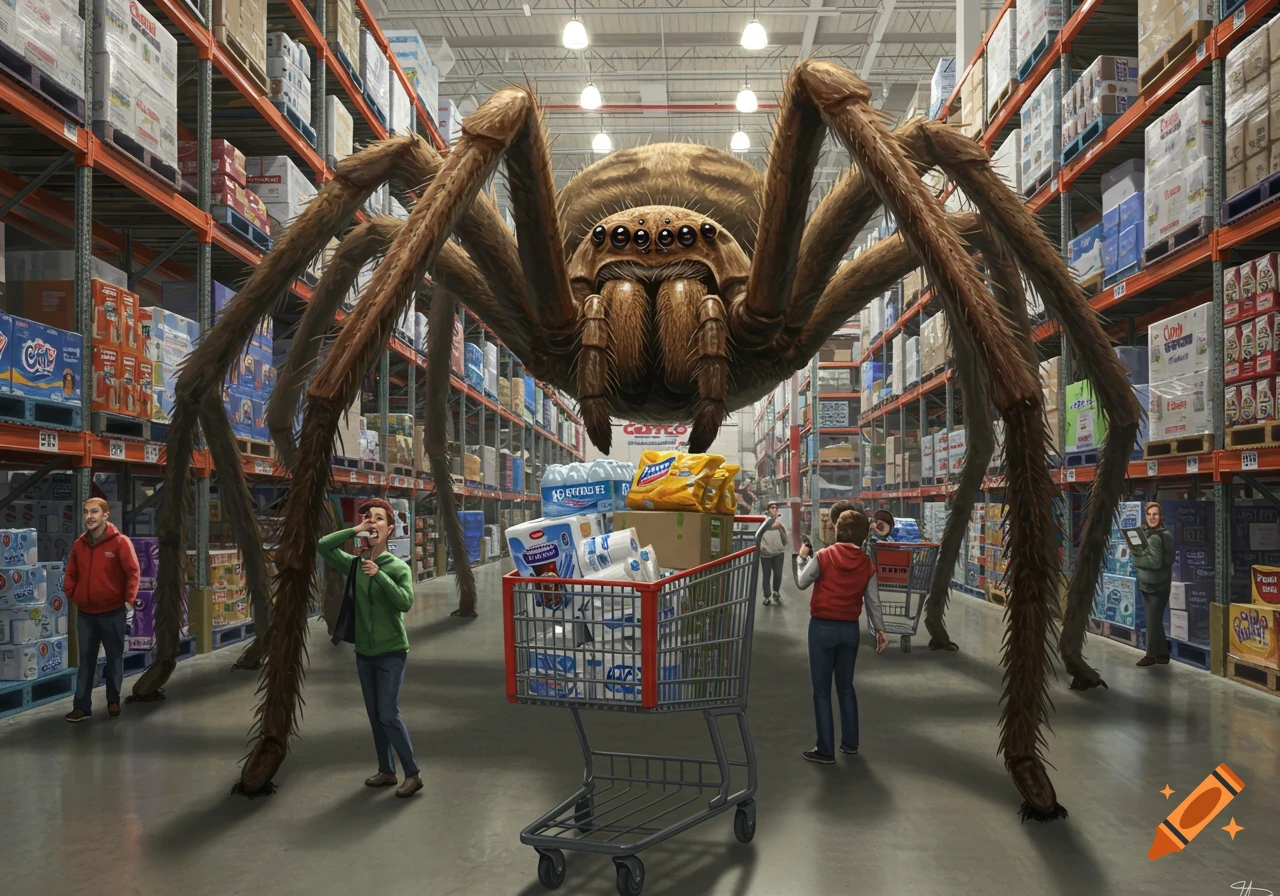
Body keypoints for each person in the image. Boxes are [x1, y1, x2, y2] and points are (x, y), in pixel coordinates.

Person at [318, 498, 423, 798]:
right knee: (375, 715)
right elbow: (323, 546)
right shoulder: (354, 565)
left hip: (392, 651)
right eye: (368, 518)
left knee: (389, 714)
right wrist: (354, 529)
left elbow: (404, 602)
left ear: (390, 529)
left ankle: (413, 773)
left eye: (378, 519)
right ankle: (386, 770)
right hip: (364, 652)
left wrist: (380, 576)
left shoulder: (398, 567)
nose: (372, 522)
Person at [793, 510, 888, 764]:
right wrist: (880, 629)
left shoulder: (824, 556)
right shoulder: (867, 564)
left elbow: (802, 583)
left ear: (838, 530)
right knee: (846, 687)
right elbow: (873, 601)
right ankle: (850, 744)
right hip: (849, 631)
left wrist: (801, 560)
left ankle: (825, 750)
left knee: (822, 690)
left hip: (822, 629)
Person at [64, 498, 140, 723]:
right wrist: (73, 593)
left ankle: (113, 701)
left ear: (106, 515)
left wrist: (128, 601)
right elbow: (71, 572)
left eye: (94, 512)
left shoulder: (120, 543)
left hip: (112, 611)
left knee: (115, 657)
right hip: (86, 612)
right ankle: (81, 706)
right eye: (86, 512)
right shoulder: (79, 545)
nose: (89, 516)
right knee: (85, 660)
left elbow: (133, 572)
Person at [1130, 501, 1176, 668]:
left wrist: (1137, 559)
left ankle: (1150, 655)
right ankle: (1163, 653)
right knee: (1154, 620)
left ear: (1160, 516)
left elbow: (1157, 562)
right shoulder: (1146, 533)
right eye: (1149, 514)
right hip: (1145, 584)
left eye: (1155, 514)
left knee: (1152, 620)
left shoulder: (1163, 536)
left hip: (1159, 586)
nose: (1152, 518)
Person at [757, 501, 788, 605]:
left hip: (778, 553)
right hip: (765, 553)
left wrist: (781, 545)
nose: (775, 509)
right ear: (768, 510)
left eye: (776, 508)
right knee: (766, 575)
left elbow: (785, 538)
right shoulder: (763, 523)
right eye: (772, 507)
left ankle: (776, 592)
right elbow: (758, 536)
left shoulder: (779, 524)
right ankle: (767, 596)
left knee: (778, 574)